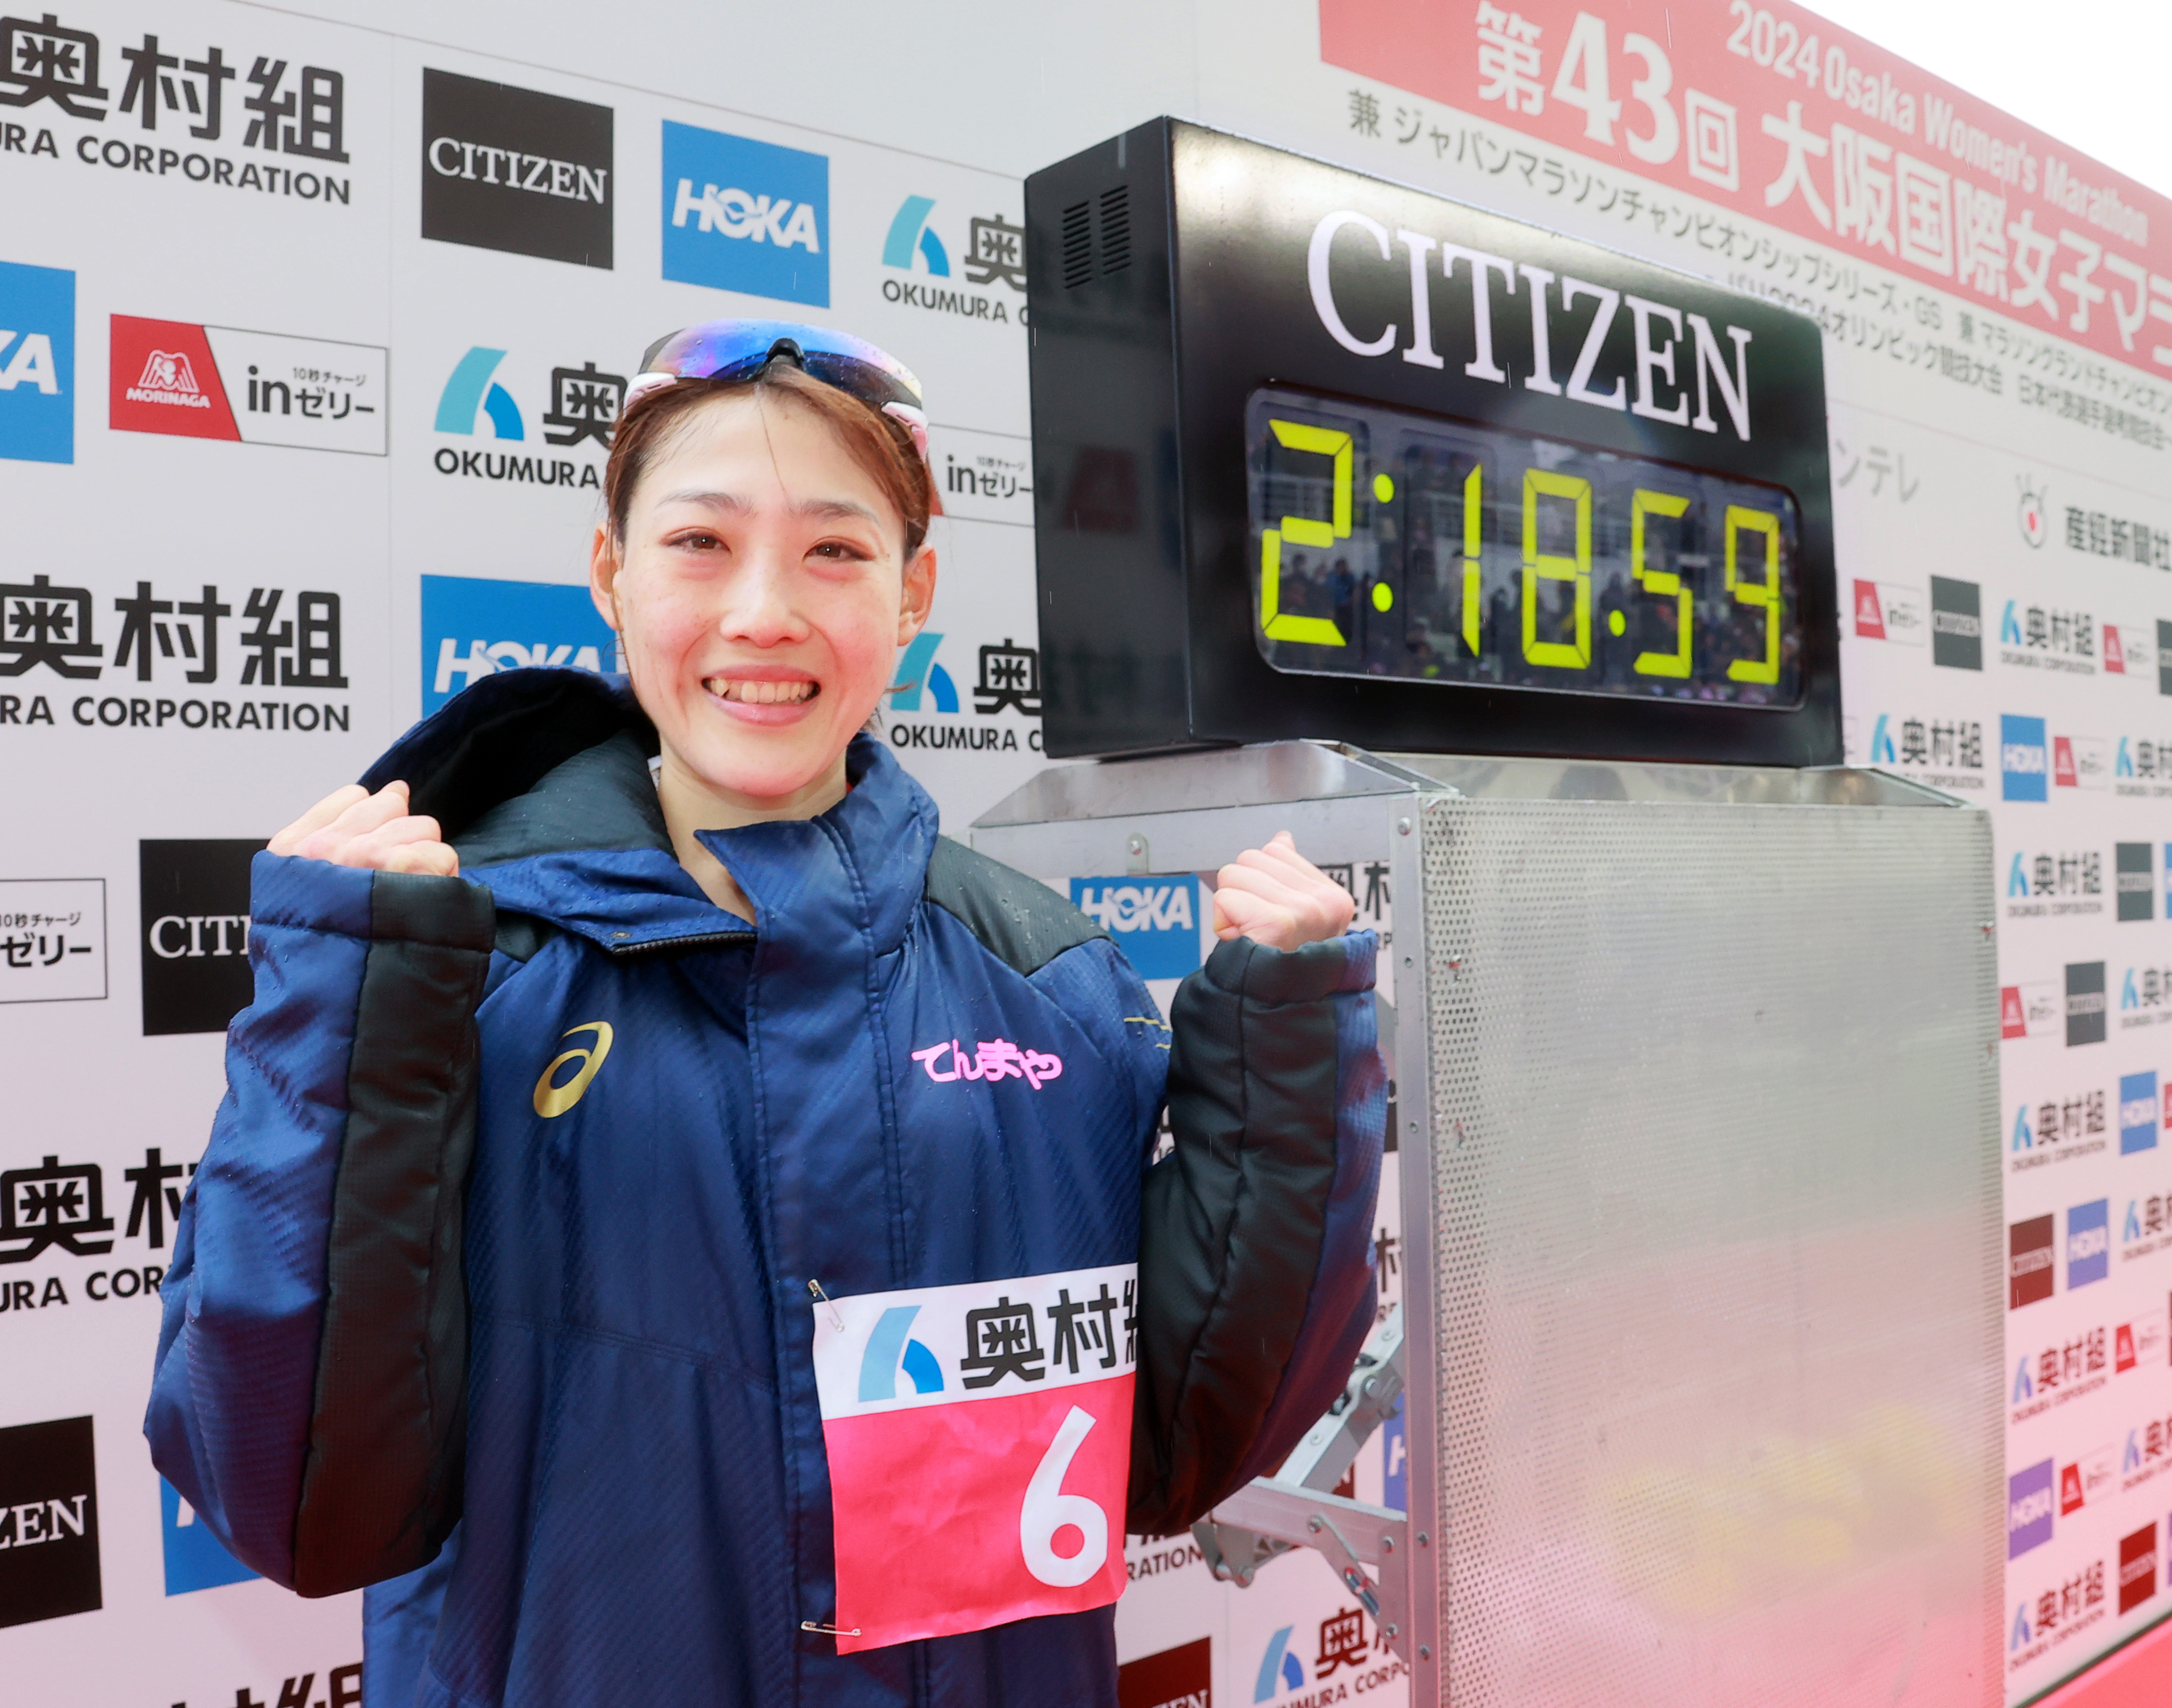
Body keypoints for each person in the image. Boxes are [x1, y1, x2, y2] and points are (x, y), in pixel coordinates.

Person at [144, 323, 1383, 1708]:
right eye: (701, 542)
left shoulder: (1055, 985)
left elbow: (1178, 1448)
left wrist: (1291, 1053)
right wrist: (337, 1019)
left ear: (913, 595)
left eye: (835, 550)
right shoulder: (445, 973)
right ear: (611, 574)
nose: (763, 613)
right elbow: (298, 1502)